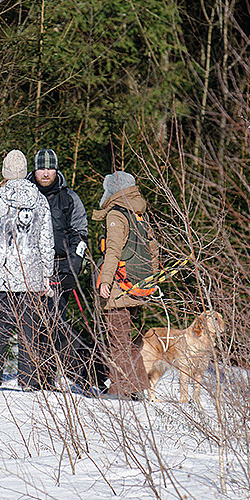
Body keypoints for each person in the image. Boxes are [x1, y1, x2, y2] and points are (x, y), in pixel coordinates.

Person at [0, 149, 54, 390]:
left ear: (5, 171)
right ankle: (29, 382)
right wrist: (46, 275)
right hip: (30, 278)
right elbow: (46, 241)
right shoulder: (40, 201)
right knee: (29, 330)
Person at [27, 148, 95, 387]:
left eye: (50, 168)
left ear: (56, 170)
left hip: (59, 268)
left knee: (54, 323)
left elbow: (80, 234)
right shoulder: (25, 195)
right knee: (30, 323)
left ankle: (49, 376)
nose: (46, 173)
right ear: (34, 170)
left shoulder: (69, 198)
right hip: (28, 268)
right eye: (41, 168)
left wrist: (72, 268)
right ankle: (31, 375)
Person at [93, 170, 157, 400]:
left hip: (119, 287)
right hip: (137, 286)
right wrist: (151, 279)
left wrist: (105, 280)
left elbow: (113, 251)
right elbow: (154, 250)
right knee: (126, 339)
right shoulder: (140, 214)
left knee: (118, 341)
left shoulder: (116, 215)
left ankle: (120, 390)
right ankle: (136, 387)